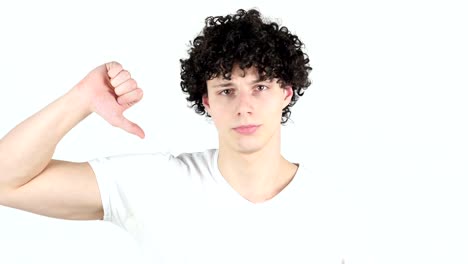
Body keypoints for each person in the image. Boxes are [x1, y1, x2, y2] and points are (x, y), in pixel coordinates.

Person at [0, 8, 354, 264]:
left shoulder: (324, 207)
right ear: (207, 101)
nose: (244, 107)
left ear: (286, 93)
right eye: (227, 90)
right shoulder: (158, 184)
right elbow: (5, 181)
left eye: (260, 87)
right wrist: (80, 99)